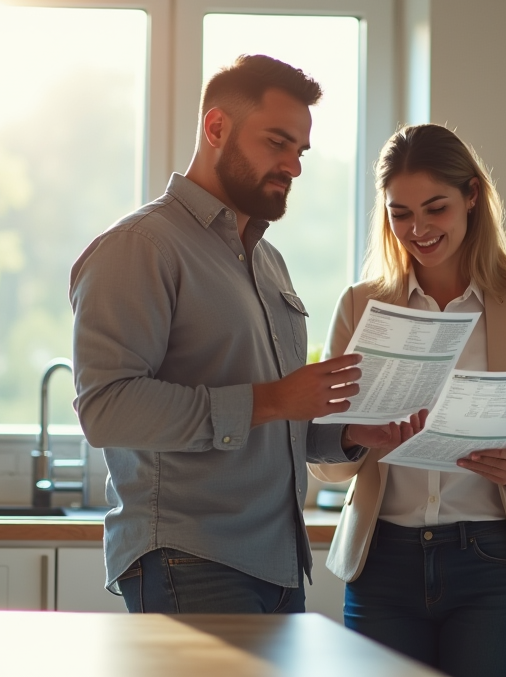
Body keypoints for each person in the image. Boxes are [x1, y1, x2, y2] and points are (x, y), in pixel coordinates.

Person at [69, 54, 415, 615]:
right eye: (277, 143)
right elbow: (106, 411)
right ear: (216, 128)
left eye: (300, 151)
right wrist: (273, 399)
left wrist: (351, 434)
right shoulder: (141, 247)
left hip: (278, 563)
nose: (293, 166)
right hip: (189, 559)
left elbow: (274, 420)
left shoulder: (268, 261)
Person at [310, 124, 506, 677]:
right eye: (401, 213)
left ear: (472, 196)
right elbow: (324, 463)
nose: (419, 229)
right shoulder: (360, 306)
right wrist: (355, 436)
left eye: (436, 208)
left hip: (493, 561)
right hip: (382, 562)